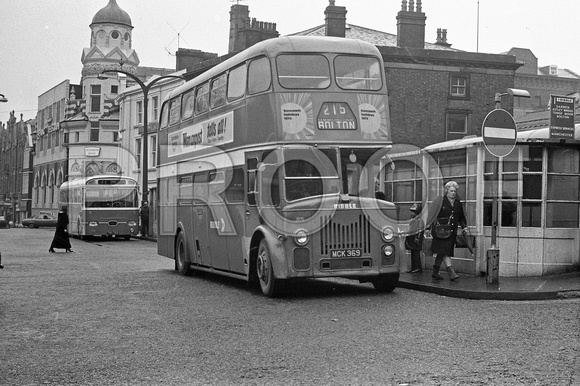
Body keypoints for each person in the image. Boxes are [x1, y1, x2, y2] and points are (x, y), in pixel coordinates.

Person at [427, 181, 467, 281]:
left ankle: (435, 273)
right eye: (451, 191)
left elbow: (461, 217)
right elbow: (431, 215)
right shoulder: (439, 201)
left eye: (455, 191)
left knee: (442, 252)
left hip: (452, 232)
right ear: (446, 191)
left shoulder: (458, 203)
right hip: (440, 231)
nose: (453, 193)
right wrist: (427, 228)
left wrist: (464, 227)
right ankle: (451, 272)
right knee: (445, 251)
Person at [405, 203, 424, 273]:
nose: (411, 213)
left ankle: (418, 267)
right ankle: (413, 267)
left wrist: (417, 238)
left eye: (413, 211)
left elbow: (419, 230)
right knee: (413, 253)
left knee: (416, 253)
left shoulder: (419, 220)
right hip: (412, 238)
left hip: (416, 239)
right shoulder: (414, 219)